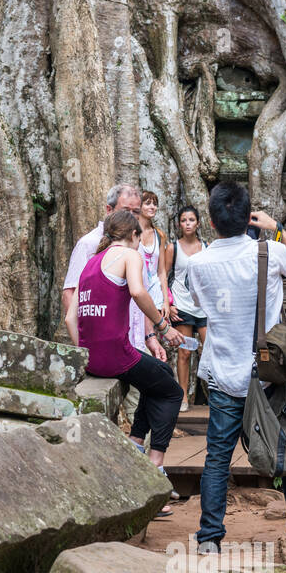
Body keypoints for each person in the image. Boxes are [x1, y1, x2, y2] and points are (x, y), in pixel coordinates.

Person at [185, 181, 286, 553]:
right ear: (249, 218)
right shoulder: (270, 252)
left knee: (217, 457)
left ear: (210, 222)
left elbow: (197, 303)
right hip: (268, 375)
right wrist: (276, 228)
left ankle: (210, 536)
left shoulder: (197, 264)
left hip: (223, 375)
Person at [68, 210, 185, 514]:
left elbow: (71, 316)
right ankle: (155, 464)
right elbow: (137, 291)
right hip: (116, 355)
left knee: (156, 375)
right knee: (172, 391)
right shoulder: (129, 255)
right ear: (134, 235)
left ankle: (135, 440)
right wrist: (163, 326)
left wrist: (85, 352)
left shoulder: (91, 262)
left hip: (92, 357)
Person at [62, 185, 154, 427]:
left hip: (134, 343)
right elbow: (71, 295)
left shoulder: (136, 244)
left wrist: (151, 335)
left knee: (144, 405)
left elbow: (141, 297)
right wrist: (86, 351)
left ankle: (143, 458)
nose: (133, 218)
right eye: (127, 211)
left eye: (137, 212)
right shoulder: (89, 245)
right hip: (107, 349)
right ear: (109, 210)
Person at [163, 205, 207, 412]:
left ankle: (217, 395)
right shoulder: (173, 248)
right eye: (184, 220)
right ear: (179, 224)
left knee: (211, 350)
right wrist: (168, 304)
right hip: (182, 306)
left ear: (198, 223)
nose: (188, 223)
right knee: (185, 353)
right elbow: (162, 276)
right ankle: (183, 397)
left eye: (191, 220)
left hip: (204, 308)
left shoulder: (207, 247)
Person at [137, 190, 171, 315]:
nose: (153, 207)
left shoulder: (159, 235)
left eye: (155, 204)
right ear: (138, 207)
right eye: (148, 203)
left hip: (156, 295)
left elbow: (161, 271)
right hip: (138, 293)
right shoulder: (131, 233)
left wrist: (166, 302)